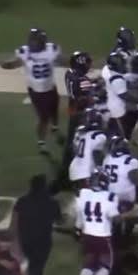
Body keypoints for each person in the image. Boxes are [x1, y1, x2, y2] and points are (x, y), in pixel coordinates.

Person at [0, 28, 64, 153]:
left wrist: (75, 63)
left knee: (54, 110)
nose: (32, 43)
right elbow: (14, 63)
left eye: (35, 41)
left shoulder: (52, 49)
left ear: (42, 42)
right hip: (36, 92)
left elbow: (62, 60)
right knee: (43, 118)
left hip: (50, 87)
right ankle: (41, 142)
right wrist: (6, 64)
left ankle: (55, 127)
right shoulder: (24, 51)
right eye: (32, 40)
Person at [12, 174, 62, 275]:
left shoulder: (22, 201)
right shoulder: (52, 202)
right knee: (35, 269)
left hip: (25, 241)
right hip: (43, 242)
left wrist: (16, 240)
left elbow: (15, 221)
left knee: (35, 267)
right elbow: (59, 220)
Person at [75, 170, 121, 275]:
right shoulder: (110, 197)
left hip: (87, 235)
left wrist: (77, 229)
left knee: (88, 264)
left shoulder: (82, 194)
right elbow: (116, 220)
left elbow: (79, 215)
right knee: (106, 266)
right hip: (103, 237)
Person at [58, 51, 99, 192]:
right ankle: (71, 178)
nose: (89, 65)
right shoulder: (83, 81)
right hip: (81, 114)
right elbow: (89, 96)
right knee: (80, 145)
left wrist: (92, 83)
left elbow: (82, 85)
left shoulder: (69, 73)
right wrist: (95, 88)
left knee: (71, 143)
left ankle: (64, 173)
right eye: (87, 62)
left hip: (73, 110)